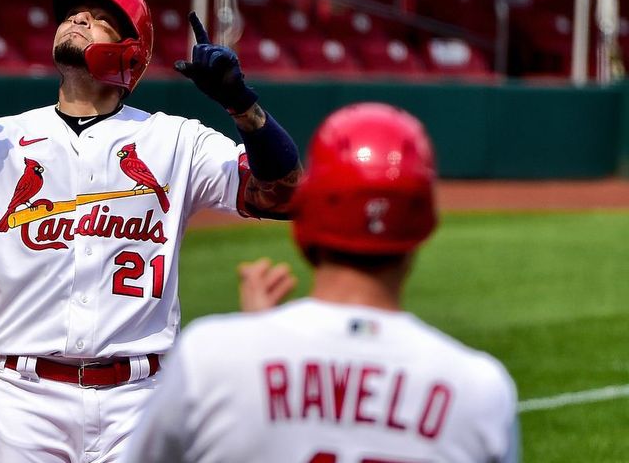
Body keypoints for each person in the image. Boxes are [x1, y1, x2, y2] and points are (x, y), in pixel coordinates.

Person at [0, 0, 301, 463]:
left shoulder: (178, 141)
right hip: (25, 401)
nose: (79, 18)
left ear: (131, 53)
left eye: (102, 19)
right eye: (74, 13)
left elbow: (284, 195)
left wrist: (242, 105)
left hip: (140, 399)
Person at [124, 103, 520, 463]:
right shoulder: (480, 391)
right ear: (422, 228)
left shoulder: (211, 358)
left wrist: (258, 336)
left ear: (308, 221)